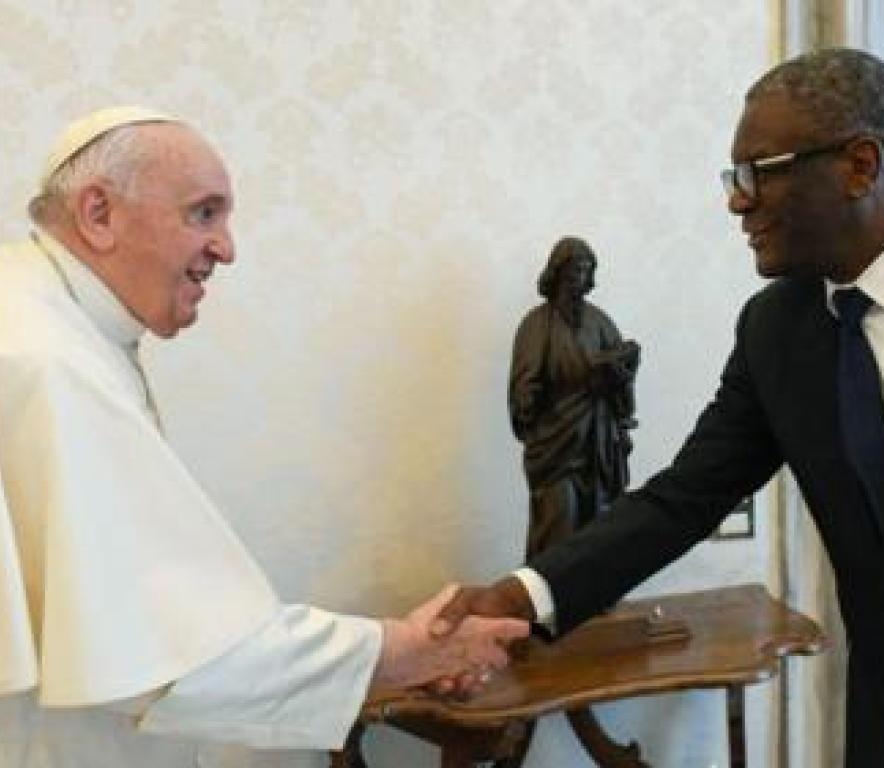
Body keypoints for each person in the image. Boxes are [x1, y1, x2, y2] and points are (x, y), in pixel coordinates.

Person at [434, 48, 884, 768]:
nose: (737, 202)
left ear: (859, 166)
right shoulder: (777, 329)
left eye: (758, 172)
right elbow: (683, 498)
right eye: (734, 178)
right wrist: (522, 598)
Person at [0, 107, 528, 768]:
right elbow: (171, 654)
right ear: (99, 213)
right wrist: (400, 651)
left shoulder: (40, 314)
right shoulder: (48, 363)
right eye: (203, 214)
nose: (226, 248)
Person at [509, 236, 639, 556]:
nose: (578, 278)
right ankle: (551, 586)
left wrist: (621, 370)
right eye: (573, 270)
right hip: (555, 445)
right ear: (557, 272)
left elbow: (623, 383)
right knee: (559, 521)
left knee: (599, 526)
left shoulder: (600, 322)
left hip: (598, 443)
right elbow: (525, 385)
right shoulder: (536, 325)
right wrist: (528, 401)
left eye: (585, 270)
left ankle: (595, 584)